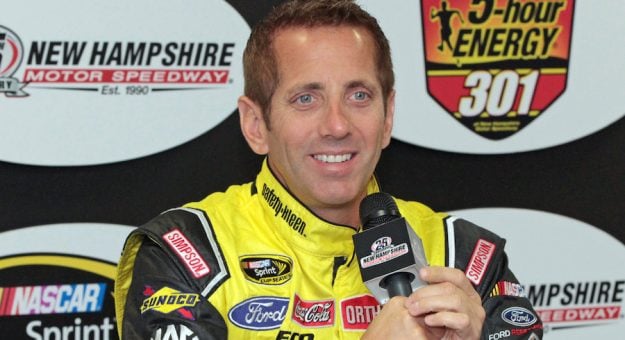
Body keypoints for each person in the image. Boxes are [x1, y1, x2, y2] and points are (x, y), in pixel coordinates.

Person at [114, 1, 542, 339]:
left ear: (388, 115)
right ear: (256, 125)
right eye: (306, 99)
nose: (337, 125)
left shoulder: (466, 257)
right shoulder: (186, 253)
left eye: (358, 96)